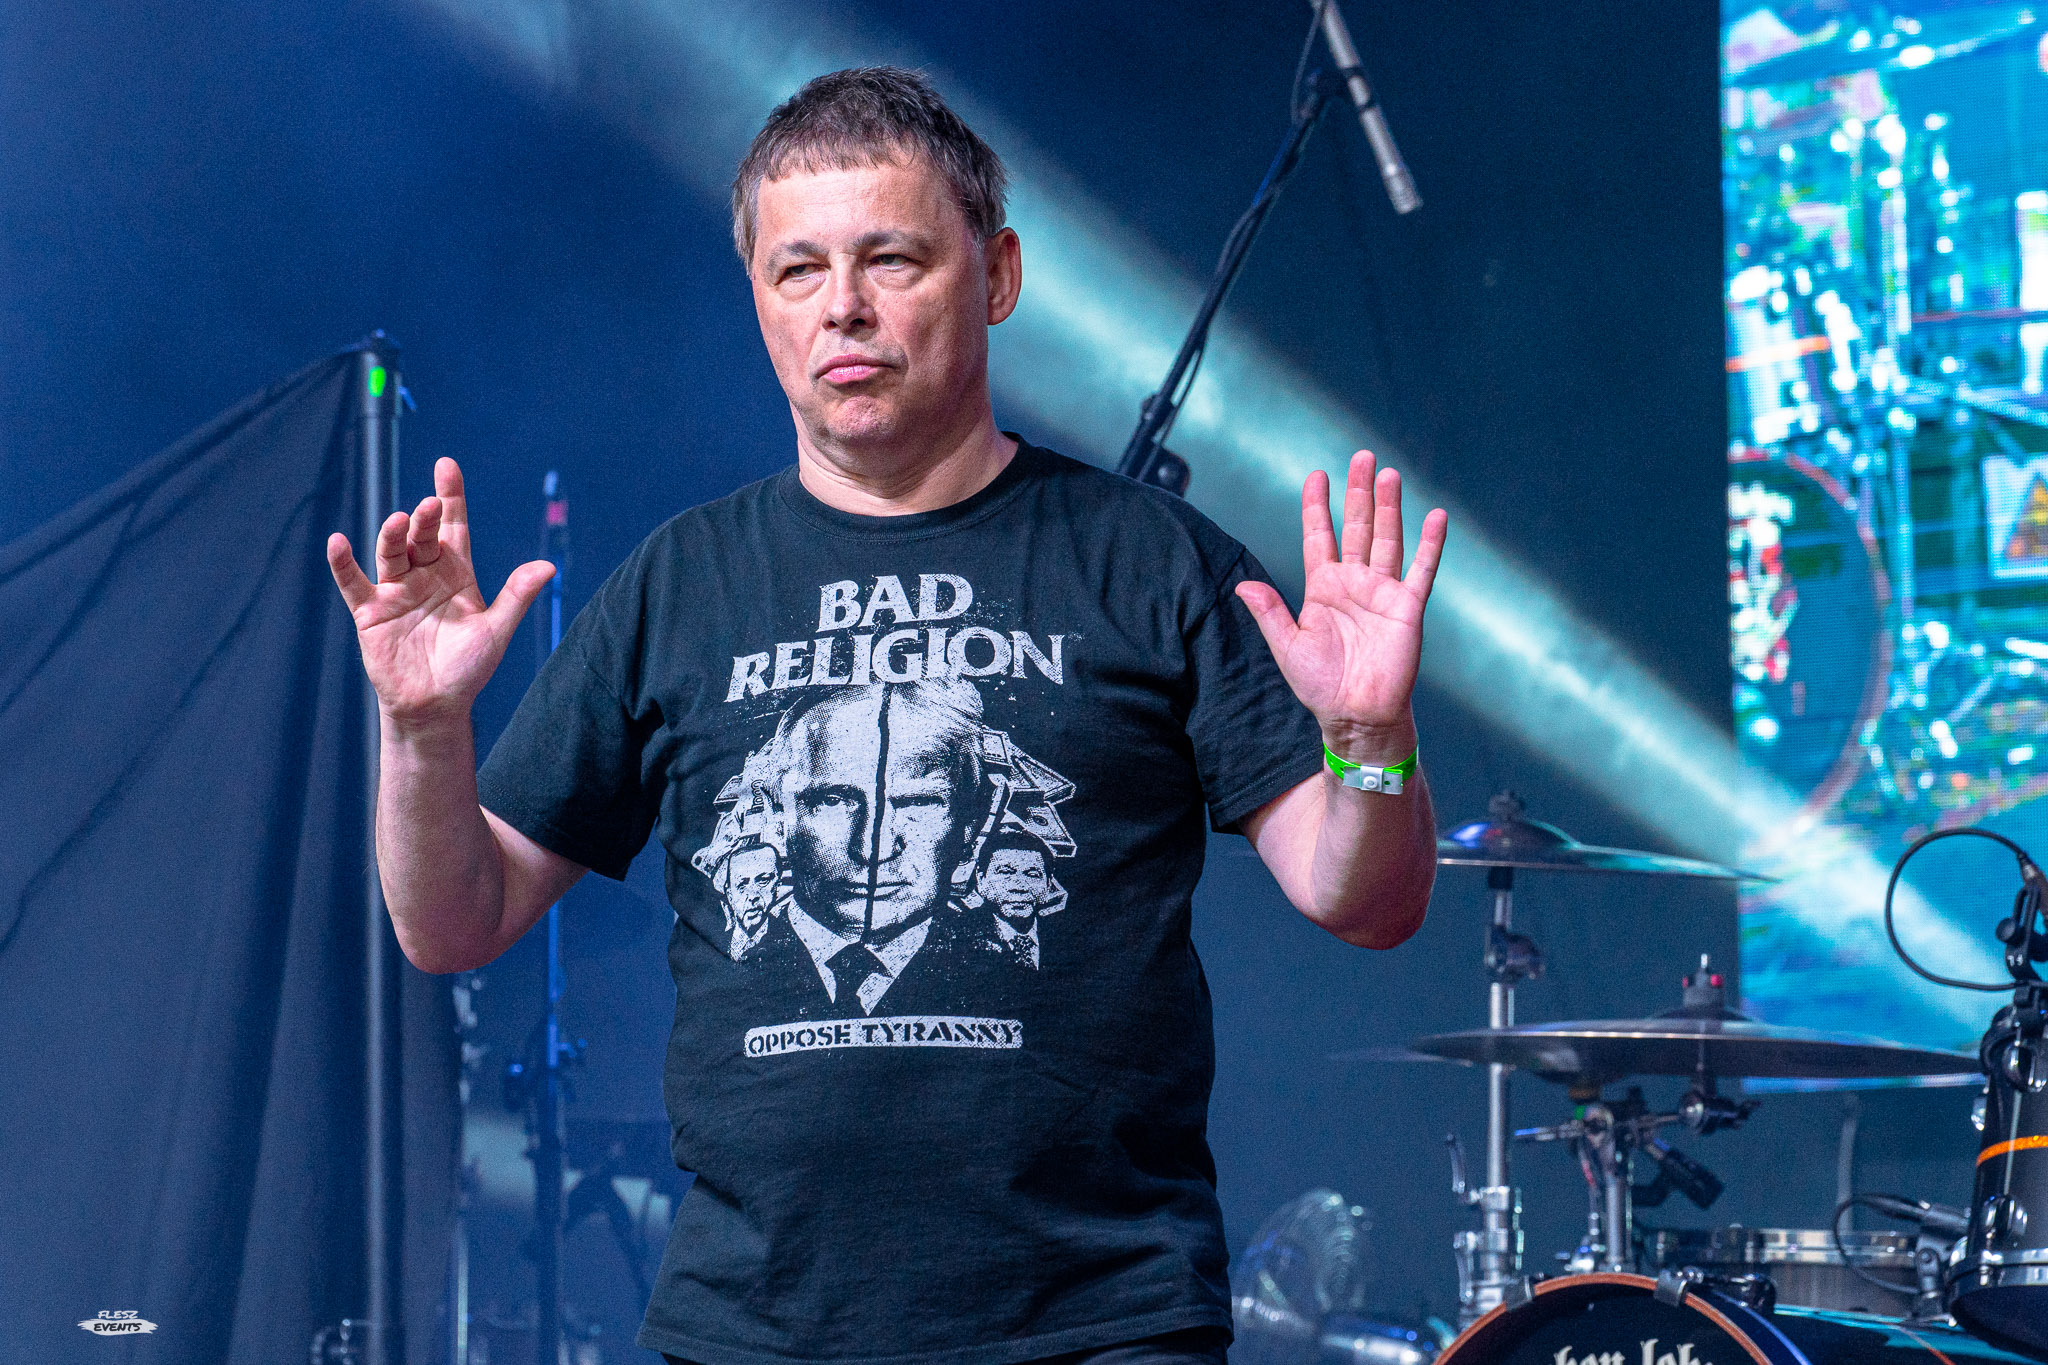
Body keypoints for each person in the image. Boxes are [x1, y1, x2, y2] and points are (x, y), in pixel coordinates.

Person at [326, 66, 1445, 1365]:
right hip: (753, 1332)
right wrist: (421, 730)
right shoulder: (679, 585)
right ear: (760, 299)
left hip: (1098, 1325)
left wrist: (1370, 742)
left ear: (997, 275)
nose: (841, 306)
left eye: (891, 258)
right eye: (796, 270)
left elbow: (1365, 898)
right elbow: (452, 921)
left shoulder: (1150, 562)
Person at [968, 830, 1064, 968]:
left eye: (1032, 875)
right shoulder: (954, 935)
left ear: (1048, 884)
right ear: (981, 879)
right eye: (1005, 872)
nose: (1019, 887)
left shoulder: (1066, 938)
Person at [710, 836, 782, 963]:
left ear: (777, 887)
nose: (752, 895)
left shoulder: (792, 944)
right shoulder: (710, 946)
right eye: (742, 885)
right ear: (729, 895)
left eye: (763, 881)